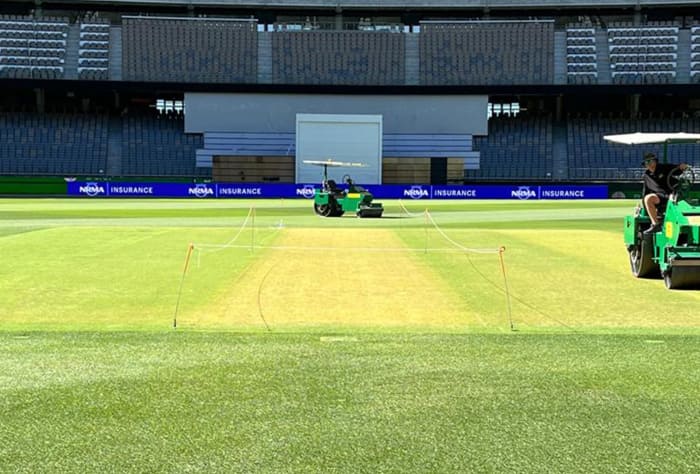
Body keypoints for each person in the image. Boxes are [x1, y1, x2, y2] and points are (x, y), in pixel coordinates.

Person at [641, 152, 688, 234]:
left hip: (673, 194)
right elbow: (646, 191)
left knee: (674, 198)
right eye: (647, 162)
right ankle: (655, 225)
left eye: (651, 161)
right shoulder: (646, 175)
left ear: (655, 161)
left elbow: (677, 169)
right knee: (648, 198)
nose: (649, 164)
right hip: (660, 197)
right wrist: (644, 204)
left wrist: (681, 167)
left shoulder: (664, 167)